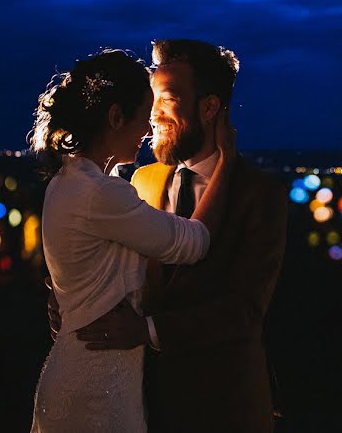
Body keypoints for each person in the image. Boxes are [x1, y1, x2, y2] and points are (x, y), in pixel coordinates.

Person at [54, 39, 288, 432]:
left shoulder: (260, 195)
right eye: (150, 99)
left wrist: (146, 331)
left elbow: (245, 311)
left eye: (168, 98)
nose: (153, 115)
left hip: (223, 406)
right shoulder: (141, 180)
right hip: (142, 403)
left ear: (209, 107)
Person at [27, 48, 236, 432]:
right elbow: (194, 242)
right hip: (95, 382)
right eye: (143, 116)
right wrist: (226, 160)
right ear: (115, 117)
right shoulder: (100, 193)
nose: (149, 128)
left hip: (91, 369)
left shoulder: (69, 182)